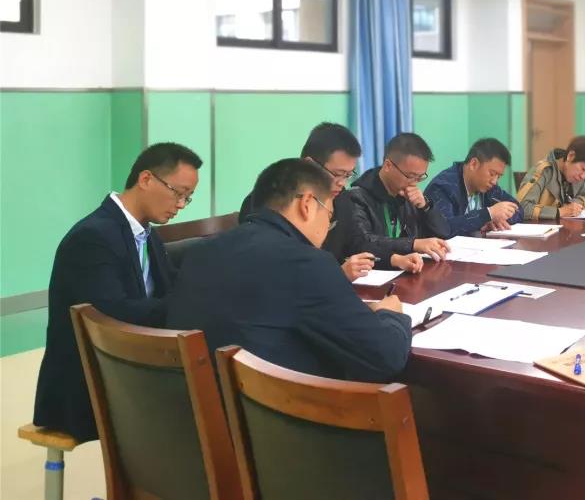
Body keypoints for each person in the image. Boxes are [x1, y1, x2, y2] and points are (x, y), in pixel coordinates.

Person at [167, 159, 410, 382]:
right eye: (329, 216)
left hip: (196, 406)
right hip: (281, 410)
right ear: (307, 204)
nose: (328, 228)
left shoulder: (201, 252)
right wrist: (390, 315)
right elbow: (386, 357)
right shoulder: (307, 263)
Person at [34, 143, 202, 442]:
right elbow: (113, 314)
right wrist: (187, 306)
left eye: (187, 198)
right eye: (178, 193)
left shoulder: (145, 233)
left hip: (128, 369)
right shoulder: (93, 237)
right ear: (146, 179)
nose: (180, 205)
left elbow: (171, 287)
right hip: (86, 386)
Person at [238, 122, 422, 278]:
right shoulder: (270, 200)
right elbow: (275, 270)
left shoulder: (341, 198)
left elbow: (357, 241)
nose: (342, 183)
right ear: (310, 164)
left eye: (348, 175)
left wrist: (395, 259)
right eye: (337, 174)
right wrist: (338, 275)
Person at [335, 133, 451, 265]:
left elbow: (444, 234)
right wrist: (413, 244)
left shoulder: (410, 197)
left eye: (420, 177)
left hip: (409, 268)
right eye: (410, 176)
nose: (414, 183)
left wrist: (426, 207)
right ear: (388, 165)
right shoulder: (357, 197)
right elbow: (363, 242)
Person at [425, 138, 522, 236]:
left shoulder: (489, 187)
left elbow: (519, 210)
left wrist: (496, 220)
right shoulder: (443, 187)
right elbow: (444, 229)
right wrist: (488, 214)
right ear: (473, 164)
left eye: (499, 176)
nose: (494, 181)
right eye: (492, 174)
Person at [516, 136, 585, 221]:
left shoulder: (575, 177)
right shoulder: (544, 171)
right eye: (583, 169)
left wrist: (576, 204)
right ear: (571, 156)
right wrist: (560, 212)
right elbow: (522, 208)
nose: (583, 176)